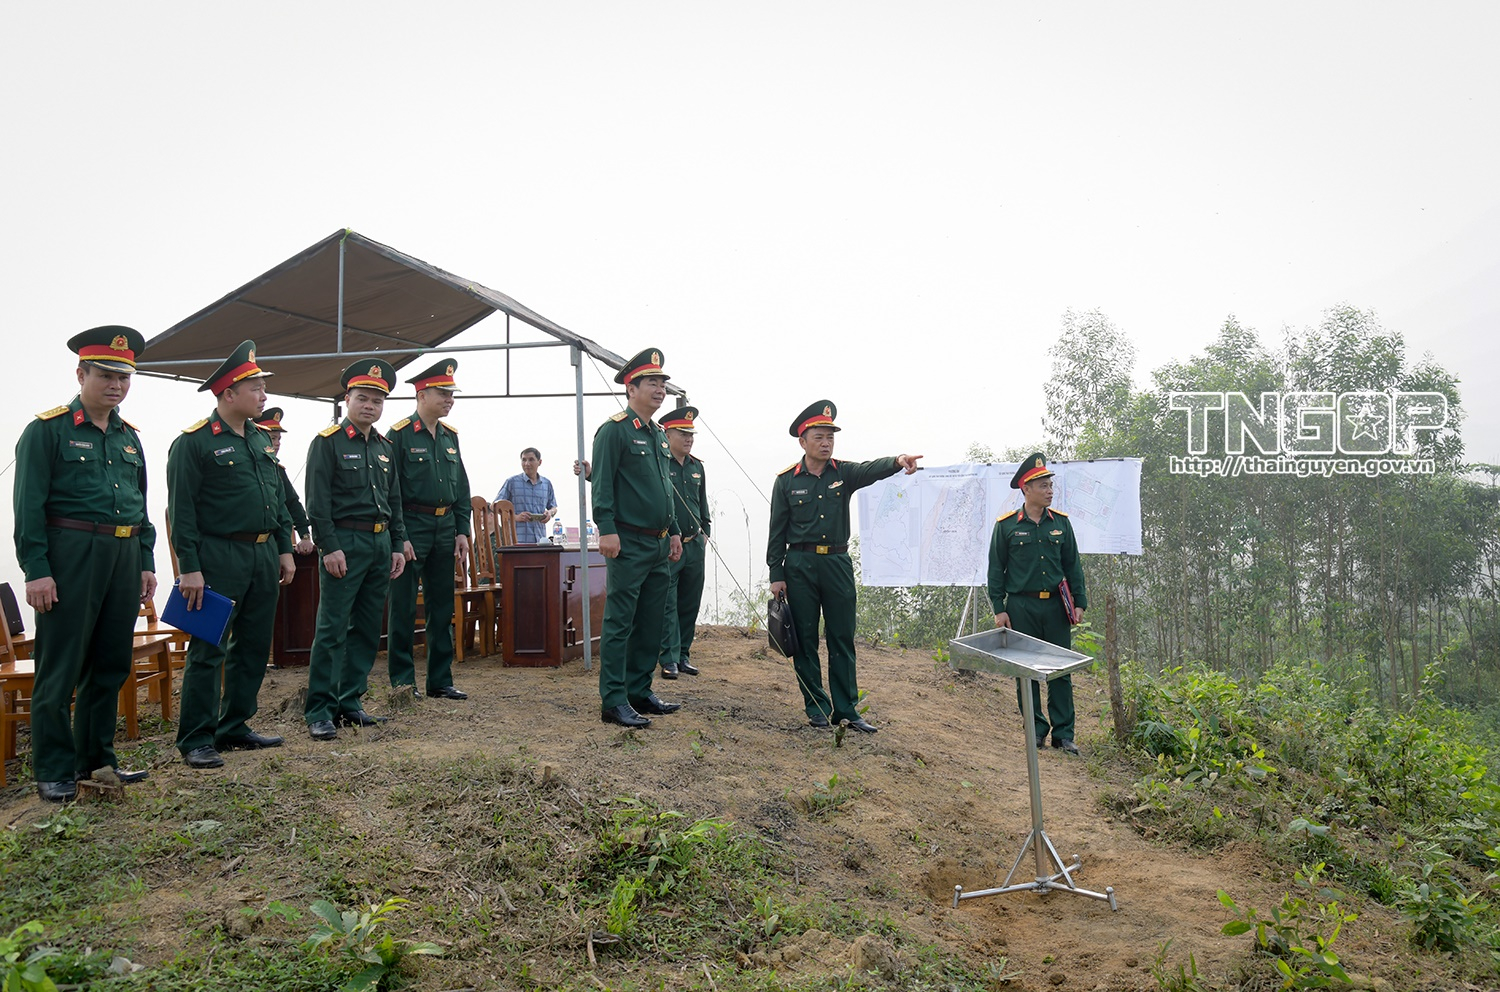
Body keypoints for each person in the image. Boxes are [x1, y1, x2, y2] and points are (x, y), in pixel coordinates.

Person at [12, 326, 157, 801]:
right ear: (81, 373)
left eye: (125, 377)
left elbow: (141, 504)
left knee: (111, 662)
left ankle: (97, 760)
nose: (116, 385)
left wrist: (145, 561)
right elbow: (28, 507)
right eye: (106, 375)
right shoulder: (46, 431)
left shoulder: (130, 438)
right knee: (61, 664)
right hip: (70, 555)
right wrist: (36, 570)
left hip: (122, 554)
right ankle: (53, 767)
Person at [167, 340, 297, 769]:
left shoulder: (260, 440)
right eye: (257, 389)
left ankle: (235, 725)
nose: (264, 396)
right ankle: (196, 738)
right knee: (209, 647)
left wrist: (283, 549)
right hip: (217, 556)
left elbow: (276, 501)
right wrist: (190, 569)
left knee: (254, 645)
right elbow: (182, 515)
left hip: (262, 555)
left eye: (263, 388)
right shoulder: (193, 443)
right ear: (227, 393)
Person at [767, 401, 921, 732]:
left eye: (830, 438)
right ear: (803, 441)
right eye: (819, 437)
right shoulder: (786, 482)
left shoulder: (843, 473)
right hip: (800, 565)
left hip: (836, 562)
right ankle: (816, 706)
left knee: (841, 636)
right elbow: (776, 531)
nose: (826, 443)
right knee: (805, 638)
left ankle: (847, 709)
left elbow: (871, 469)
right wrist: (776, 574)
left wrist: (897, 462)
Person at [303, 360, 407, 741]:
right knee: (331, 628)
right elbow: (317, 502)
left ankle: (350, 700)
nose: (370, 406)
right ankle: (319, 709)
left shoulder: (384, 447)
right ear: (347, 399)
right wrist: (328, 547)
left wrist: (397, 544)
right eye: (363, 398)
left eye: (377, 401)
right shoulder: (327, 442)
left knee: (365, 628)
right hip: (344, 543)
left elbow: (394, 500)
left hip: (380, 544)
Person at [590, 347, 682, 728]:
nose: (660, 389)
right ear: (631, 388)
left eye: (662, 383)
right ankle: (613, 699)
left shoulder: (659, 434)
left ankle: (639, 691)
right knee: (620, 622)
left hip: (659, 542)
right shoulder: (614, 430)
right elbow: (603, 485)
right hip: (627, 542)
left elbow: (665, 489)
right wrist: (606, 529)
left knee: (651, 621)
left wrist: (674, 532)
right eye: (652, 383)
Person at [987, 454, 1088, 755]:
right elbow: (995, 570)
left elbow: (1074, 567)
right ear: (1026, 488)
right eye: (1043, 485)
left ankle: (1063, 734)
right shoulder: (1006, 527)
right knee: (1026, 672)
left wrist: (1079, 602)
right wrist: (998, 608)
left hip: (1056, 607)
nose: (1049, 490)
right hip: (1020, 607)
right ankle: (1036, 731)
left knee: (1060, 670)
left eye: (1050, 485)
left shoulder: (1062, 524)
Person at [386, 358, 471, 700]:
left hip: (444, 526)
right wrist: (400, 535)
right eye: (443, 392)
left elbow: (461, 488)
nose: (450, 399)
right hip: (412, 525)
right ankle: (403, 683)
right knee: (403, 608)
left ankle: (440, 680)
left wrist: (462, 530)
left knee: (441, 608)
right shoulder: (400, 435)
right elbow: (390, 490)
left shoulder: (450, 437)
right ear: (421, 394)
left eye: (452, 394)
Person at [657, 406, 711, 679]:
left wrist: (705, 532)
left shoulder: (696, 466)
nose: (689, 439)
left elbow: (702, 503)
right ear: (667, 434)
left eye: (691, 434)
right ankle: (668, 658)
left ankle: (683, 655)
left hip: (694, 544)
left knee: (690, 602)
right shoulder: (658, 462)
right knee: (668, 604)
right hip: (668, 545)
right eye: (683, 434)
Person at [254, 407, 316, 555]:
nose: (277, 444)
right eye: (272, 438)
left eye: (279, 439)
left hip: (273, 544)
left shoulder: (278, 470)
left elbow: (292, 503)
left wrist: (305, 535)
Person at [495, 447, 557, 545]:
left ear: (539, 462)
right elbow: (495, 506)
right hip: (517, 542)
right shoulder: (512, 482)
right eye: (524, 460)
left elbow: (553, 507)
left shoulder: (546, 484)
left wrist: (550, 513)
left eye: (531, 459)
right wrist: (515, 517)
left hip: (540, 541)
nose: (527, 463)